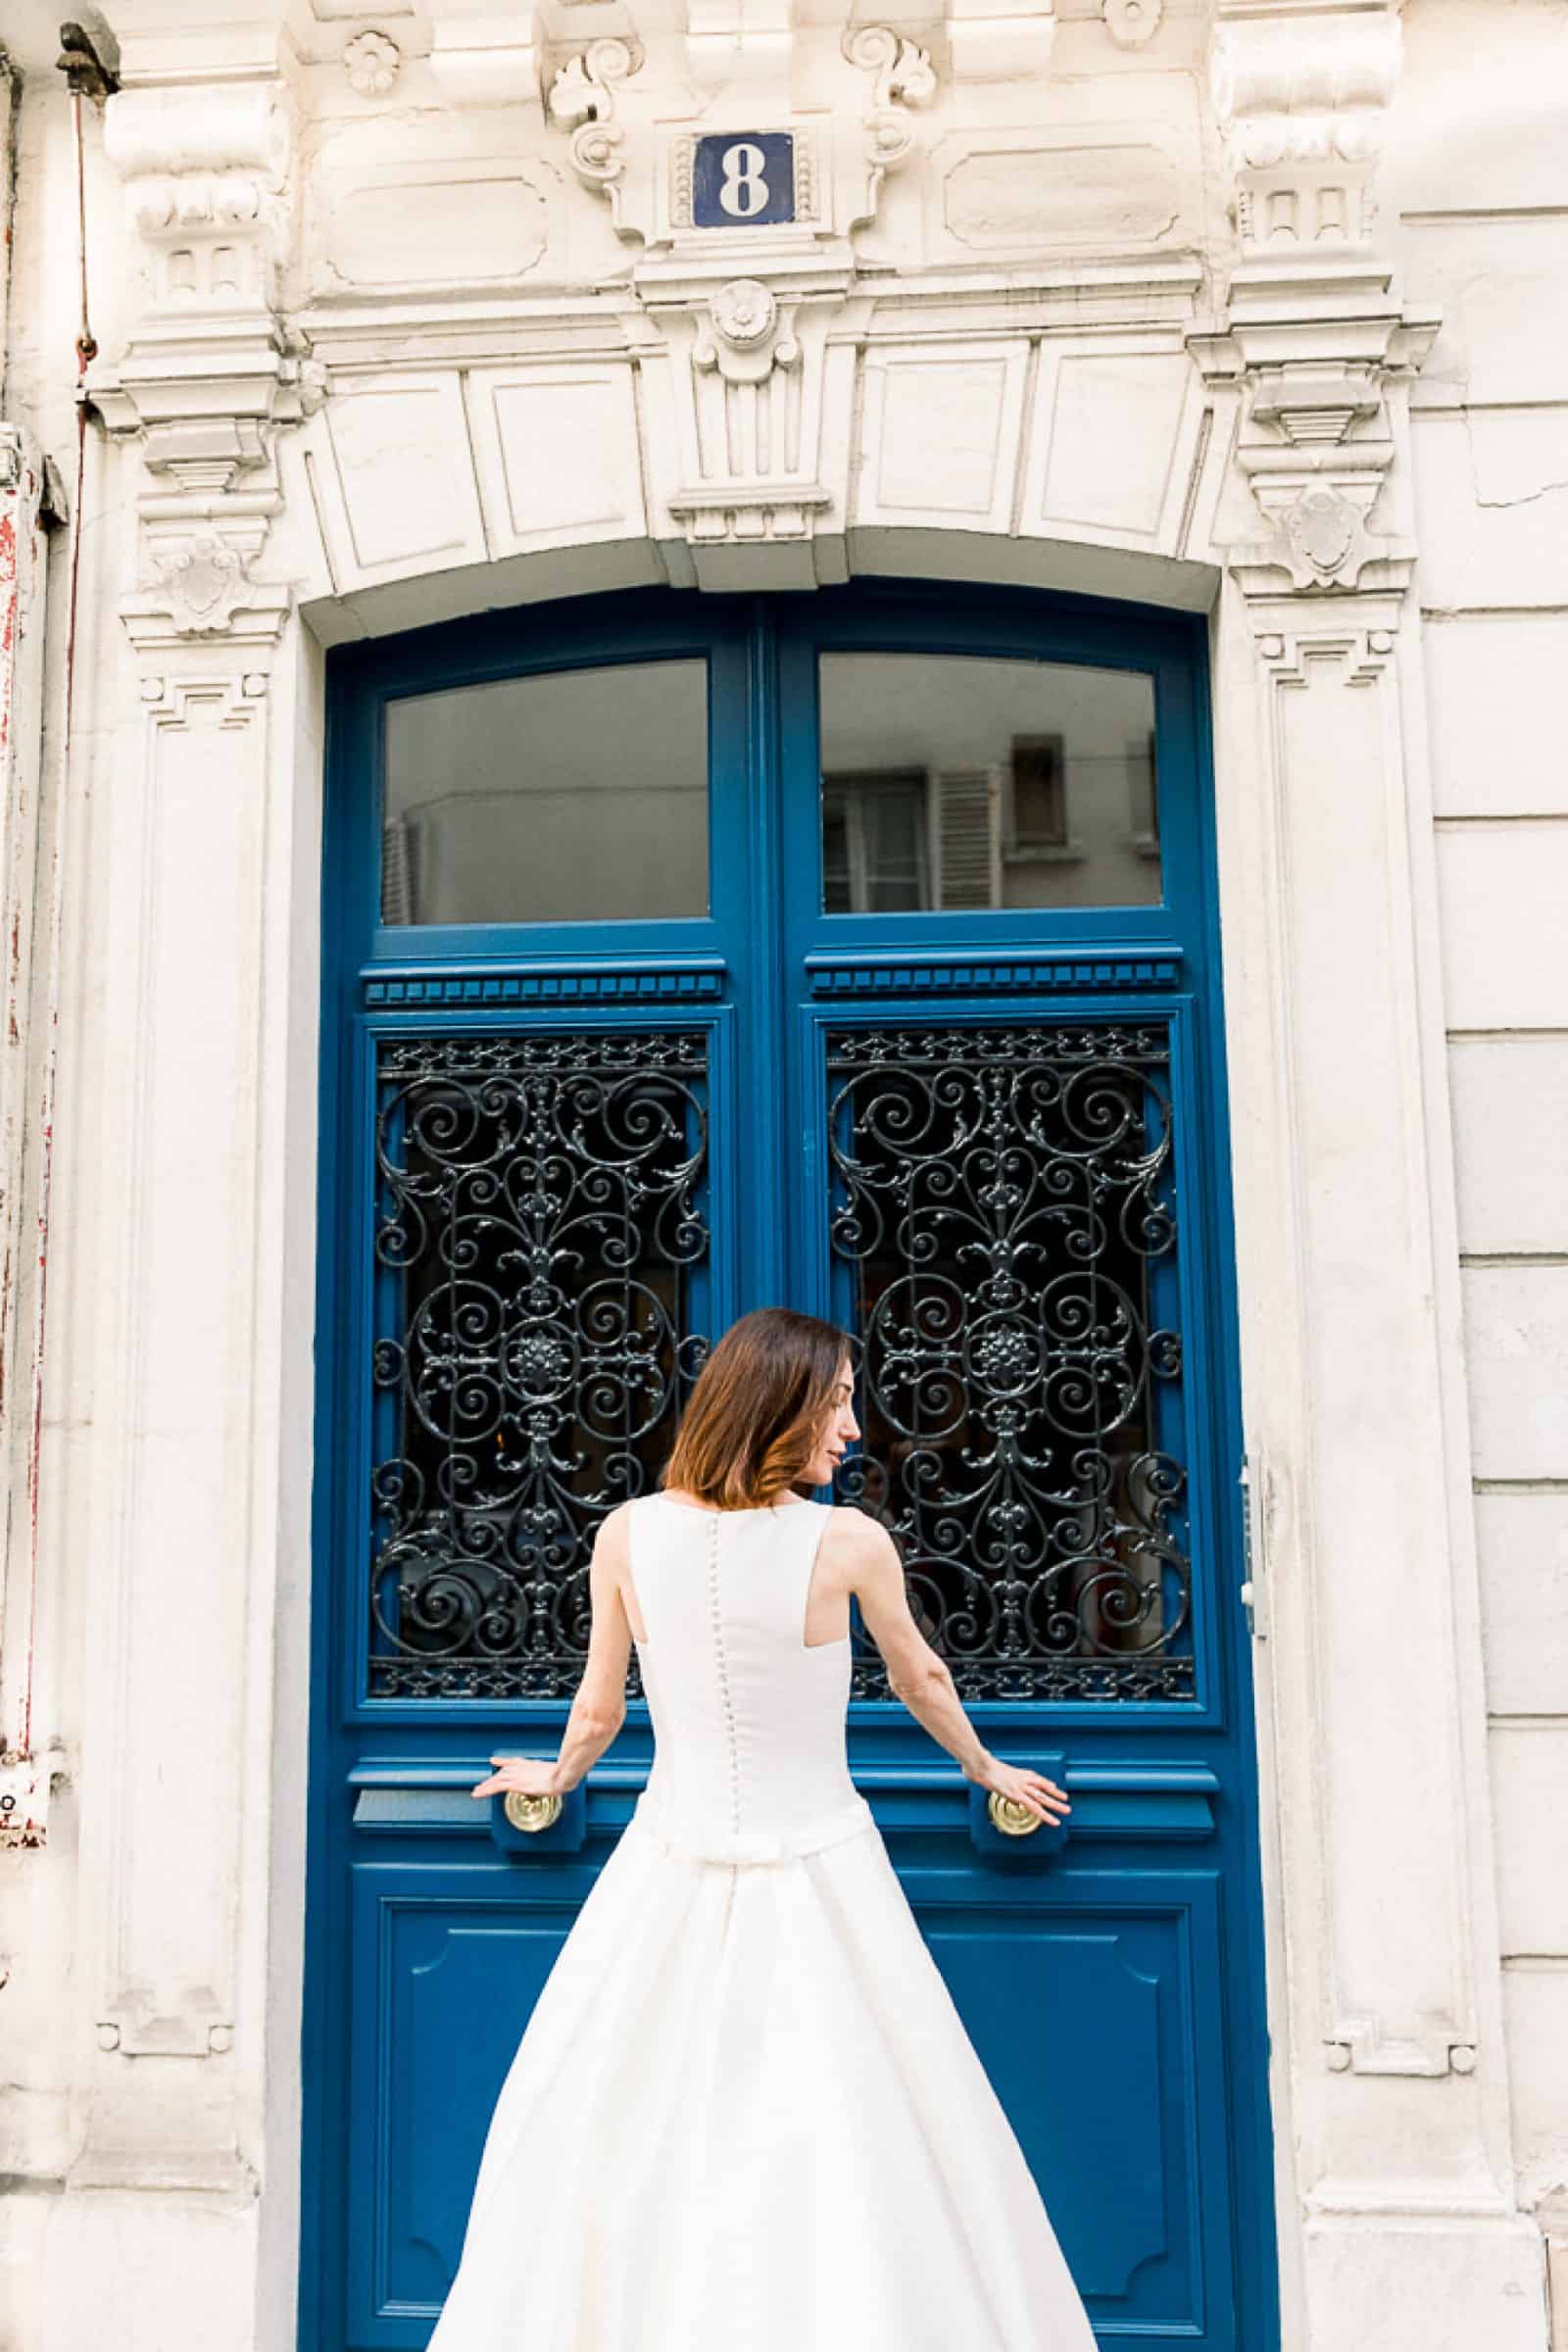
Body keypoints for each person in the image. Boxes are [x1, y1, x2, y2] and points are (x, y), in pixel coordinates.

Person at [429, 1305, 1099, 2350]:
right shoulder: (844, 1543)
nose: (854, 1429)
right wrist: (983, 1765)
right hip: (819, 1876)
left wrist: (555, 1775)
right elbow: (918, 1673)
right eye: (836, 1404)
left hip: (667, 1871)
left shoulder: (626, 1534)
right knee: (848, 2131)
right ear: (778, 1405)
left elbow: (601, 1705)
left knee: (621, 2127)